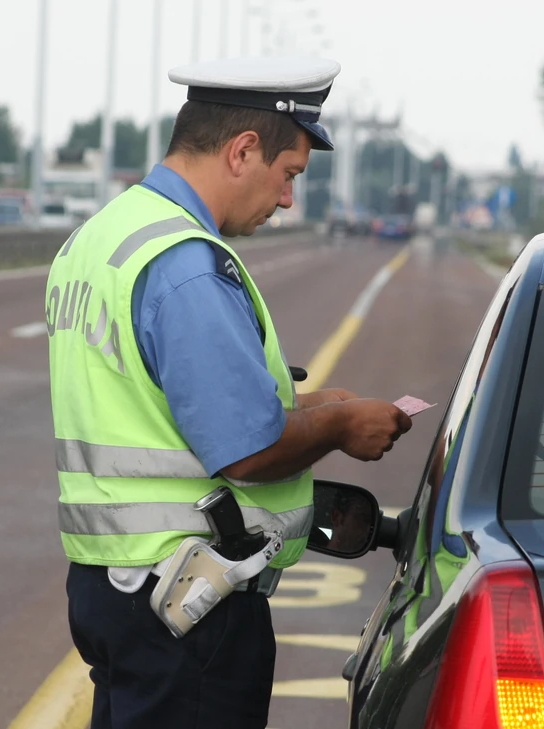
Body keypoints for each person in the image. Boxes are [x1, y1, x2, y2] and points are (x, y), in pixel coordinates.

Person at [45, 55, 412, 729]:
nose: (287, 199)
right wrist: (337, 428)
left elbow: (156, 409)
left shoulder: (99, 239)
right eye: (289, 174)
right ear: (243, 151)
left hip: (111, 588)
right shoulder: (184, 263)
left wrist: (313, 407)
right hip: (186, 606)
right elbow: (247, 451)